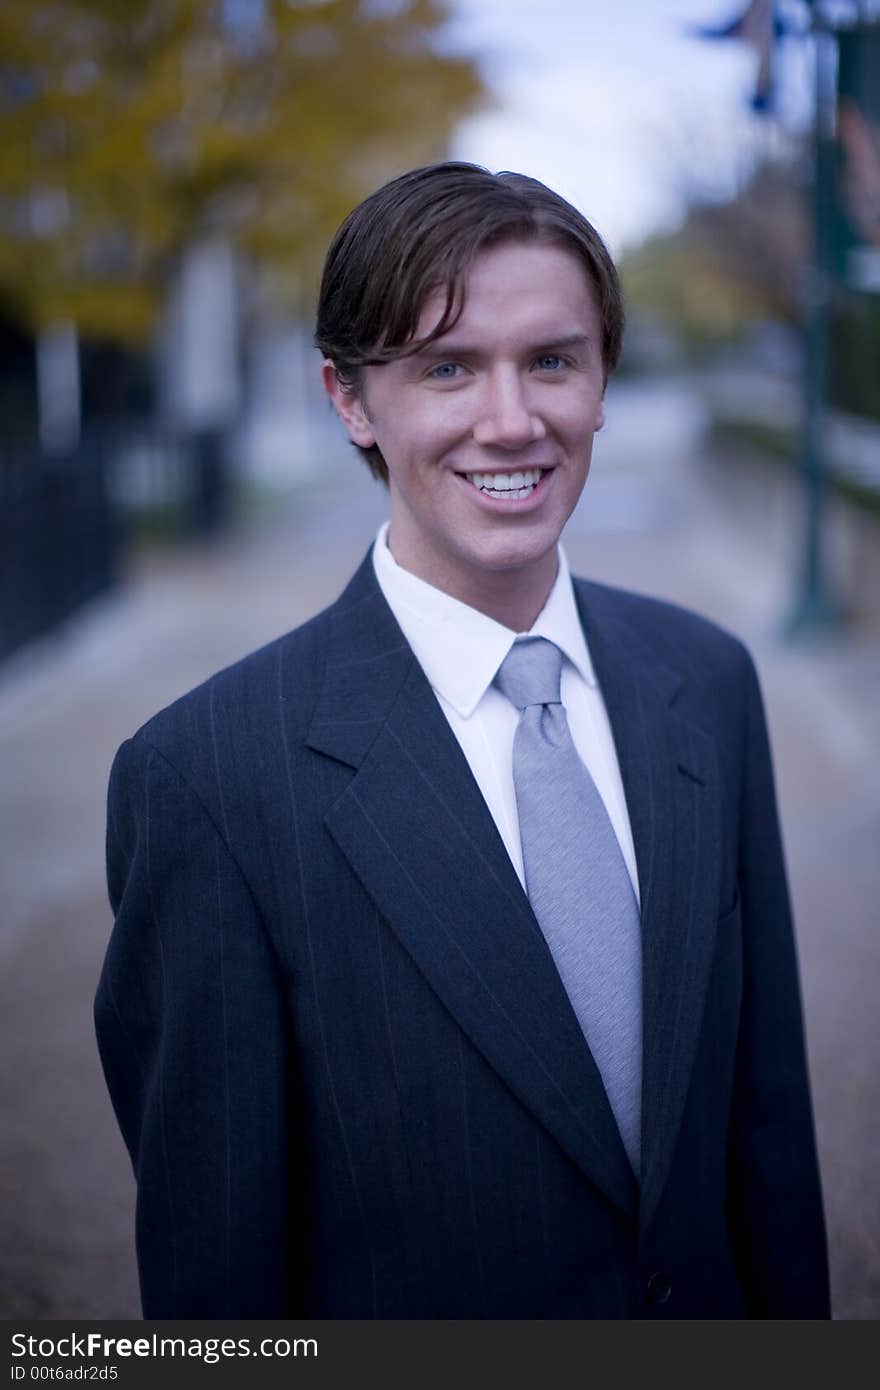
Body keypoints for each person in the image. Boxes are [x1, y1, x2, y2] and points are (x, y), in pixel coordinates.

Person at [95, 162, 830, 1319]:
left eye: (551, 359)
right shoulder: (207, 778)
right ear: (348, 399)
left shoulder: (706, 681)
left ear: (599, 379)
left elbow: (766, 1127)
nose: (511, 418)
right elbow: (214, 1276)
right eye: (447, 366)